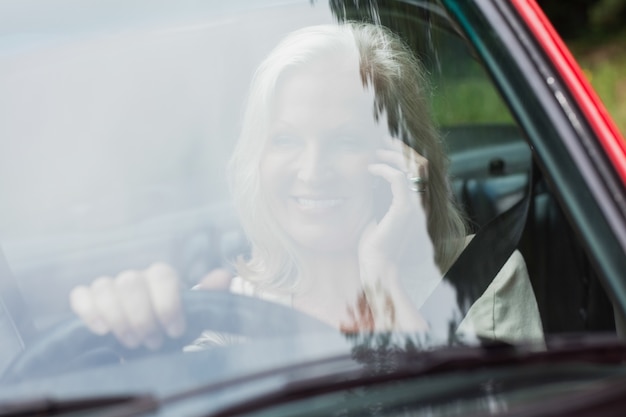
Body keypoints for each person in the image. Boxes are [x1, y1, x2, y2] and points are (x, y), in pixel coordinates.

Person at [69, 22, 544, 350]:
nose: (314, 170)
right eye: (287, 140)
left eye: (346, 141)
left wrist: (383, 282)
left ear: (401, 159)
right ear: (258, 161)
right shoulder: (223, 310)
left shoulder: (485, 280)